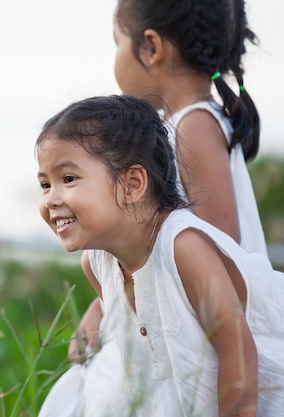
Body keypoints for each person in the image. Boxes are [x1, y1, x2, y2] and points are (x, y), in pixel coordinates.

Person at [36, 95, 284, 417]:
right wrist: (95, 315)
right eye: (44, 184)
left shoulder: (184, 247)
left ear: (132, 184)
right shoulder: (96, 263)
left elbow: (237, 351)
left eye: (68, 179)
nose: (51, 199)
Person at [70, 0, 268, 366]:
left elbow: (218, 246)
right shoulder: (182, 125)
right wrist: (103, 308)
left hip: (218, 338)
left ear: (152, 47)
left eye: (117, 42)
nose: (115, 56)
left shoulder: (194, 124)